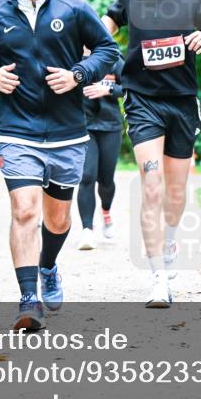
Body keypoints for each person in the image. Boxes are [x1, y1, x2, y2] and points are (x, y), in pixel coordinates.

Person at [0, 0, 119, 331]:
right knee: (25, 211)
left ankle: (48, 267)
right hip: (17, 129)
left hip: (67, 131)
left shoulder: (76, 8)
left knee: (59, 220)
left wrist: (78, 74)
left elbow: (108, 50)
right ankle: (28, 301)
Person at [101, 0, 201, 308]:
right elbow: (109, 23)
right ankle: (157, 279)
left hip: (182, 101)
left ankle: (170, 237)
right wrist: (99, 49)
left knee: (174, 193)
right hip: (142, 100)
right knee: (151, 186)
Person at [75, 51, 125, 251]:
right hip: (82, 125)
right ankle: (87, 230)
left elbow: (133, 86)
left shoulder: (112, 58)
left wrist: (109, 89)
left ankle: (106, 211)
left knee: (106, 181)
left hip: (110, 125)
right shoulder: (72, 56)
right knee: (87, 176)